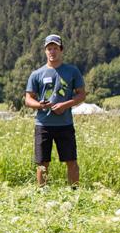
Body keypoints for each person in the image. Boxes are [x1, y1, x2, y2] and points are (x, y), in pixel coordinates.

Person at [24, 34, 86, 186]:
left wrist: (65, 105)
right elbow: (28, 99)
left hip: (65, 124)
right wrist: (40, 105)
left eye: (55, 48)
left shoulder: (72, 71)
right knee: (42, 162)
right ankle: (41, 192)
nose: (52, 52)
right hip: (43, 124)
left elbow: (82, 95)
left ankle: (75, 192)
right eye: (49, 49)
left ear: (61, 50)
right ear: (45, 51)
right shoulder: (36, 74)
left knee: (71, 161)